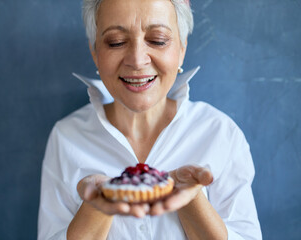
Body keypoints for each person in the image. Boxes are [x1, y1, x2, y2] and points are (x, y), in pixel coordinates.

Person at [38, 0, 262, 239]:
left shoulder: (220, 134)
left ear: (182, 48)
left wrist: (193, 199)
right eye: (116, 42)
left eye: (158, 40)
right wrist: (96, 207)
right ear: (95, 52)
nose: (137, 60)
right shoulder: (66, 137)